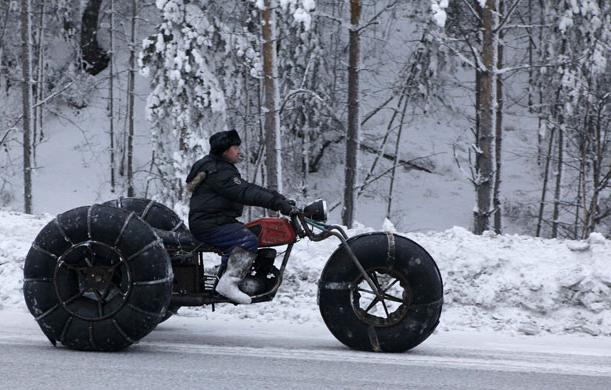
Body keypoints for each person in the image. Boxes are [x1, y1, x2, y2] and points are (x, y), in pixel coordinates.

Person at [186, 129, 295, 304]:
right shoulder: (219, 172)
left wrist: (280, 200)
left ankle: (225, 274)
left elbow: (247, 187)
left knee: (248, 233)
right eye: (235, 147)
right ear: (224, 150)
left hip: (215, 221)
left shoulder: (218, 168)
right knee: (247, 240)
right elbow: (245, 192)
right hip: (209, 224)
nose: (238, 151)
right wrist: (277, 203)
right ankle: (228, 283)